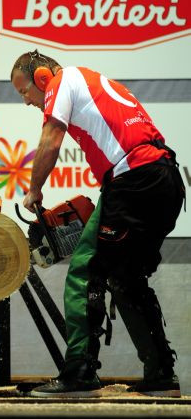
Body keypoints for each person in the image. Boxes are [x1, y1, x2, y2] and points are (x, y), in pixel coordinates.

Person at [10, 49, 185, 398]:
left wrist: (34, 189)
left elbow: (51, 138)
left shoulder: (61, 81)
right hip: (163, 179)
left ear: (42, 78)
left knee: (86, 270)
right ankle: (161, 376)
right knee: (126, 278)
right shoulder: (91, 80)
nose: (27, 101)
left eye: (24, 92)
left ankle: (79, 374)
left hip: (133, 180)